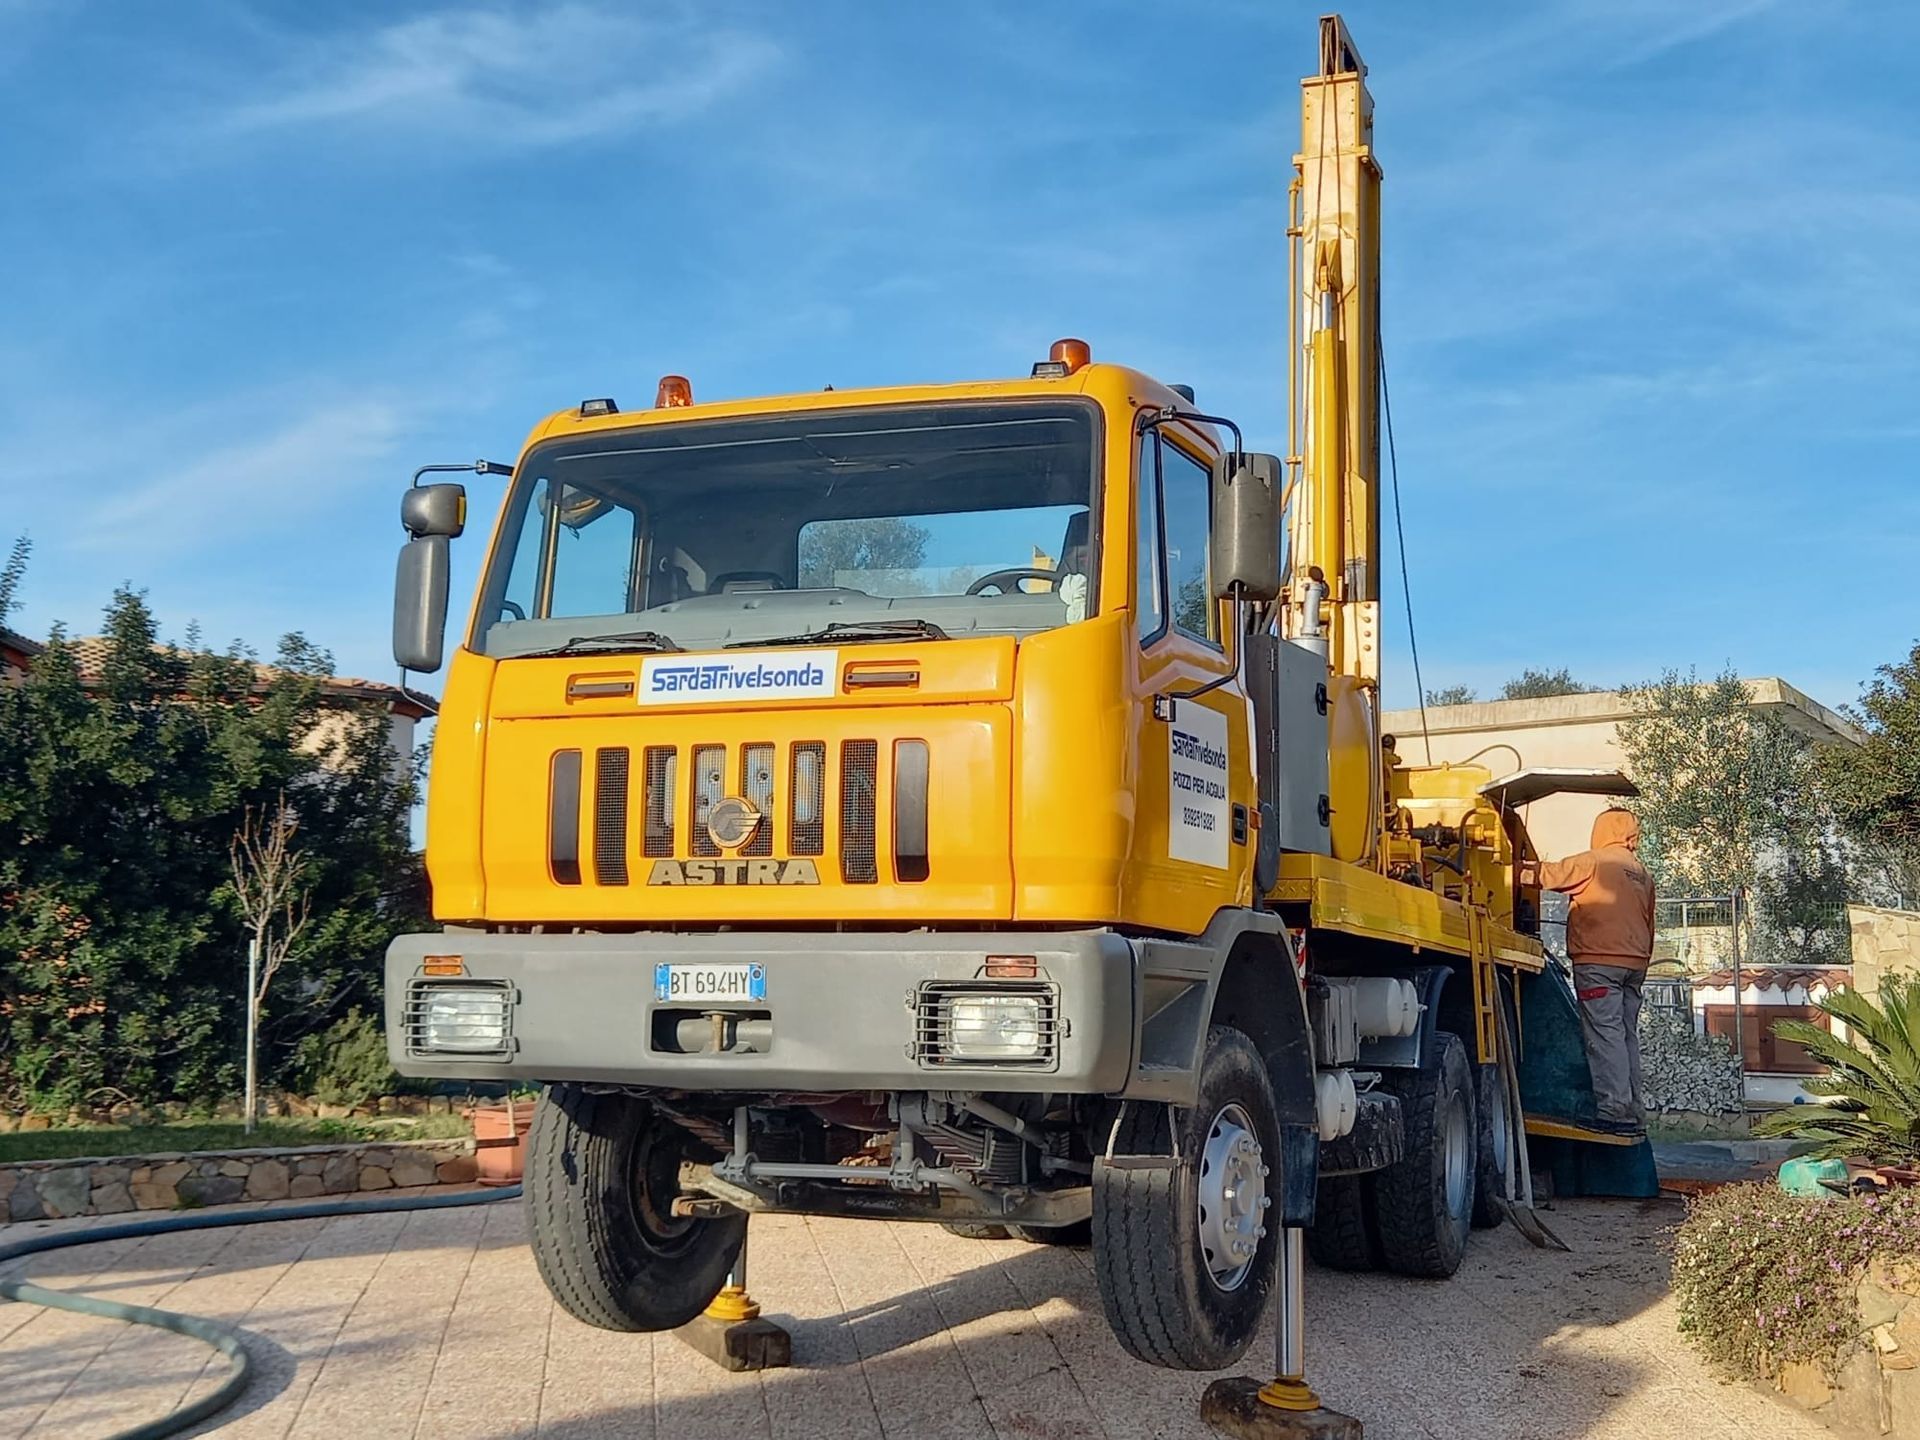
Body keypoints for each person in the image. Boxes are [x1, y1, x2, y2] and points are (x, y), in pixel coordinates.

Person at [1525, 809, 1656, 1135]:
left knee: (1605, 1036)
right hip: (1635, 964)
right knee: (1626, 1036)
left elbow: (1548, 876)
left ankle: (1614, 1112)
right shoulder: (1641, 873)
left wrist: (1510, 867)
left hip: (1599, 963)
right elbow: (1650, 922)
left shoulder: (1595, 862)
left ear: (1602, 830)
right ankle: (1634, 1112)